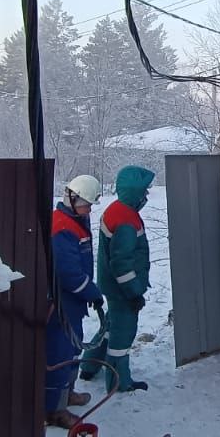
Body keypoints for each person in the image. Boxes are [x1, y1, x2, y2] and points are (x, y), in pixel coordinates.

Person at [79, 165, 155, 392]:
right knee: (123, 334)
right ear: (134, 192)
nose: (146, 196)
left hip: (112, 286)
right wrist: (133, 293)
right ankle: (119, 380)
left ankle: (89, 365)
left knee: (110, 325)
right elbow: (122, 264)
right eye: (144, 191)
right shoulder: (125, 221)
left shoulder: (118, 210)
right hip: (122, 289)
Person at [46, 174, 104, 429]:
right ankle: (54, 409)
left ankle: (67, 394)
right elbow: (67, 273)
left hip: (73, 304)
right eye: (87, 204)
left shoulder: (76, 221)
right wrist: (90, 291)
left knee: (73, 350)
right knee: (60, 356)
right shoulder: (61, 227)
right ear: (73, 198)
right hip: (60, 304)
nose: (89, 209)